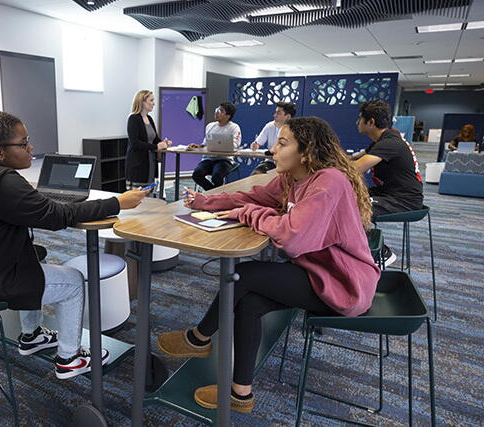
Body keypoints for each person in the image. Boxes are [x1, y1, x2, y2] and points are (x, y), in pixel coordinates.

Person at [158, 117, 380, 413]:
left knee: (244, 275)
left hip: (344, 285)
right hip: (317, 273)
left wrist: (247, 213)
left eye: (282, 143)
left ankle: (198, 338)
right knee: (249, 304)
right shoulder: (292, 178)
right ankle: (240, 394)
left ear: (307, 151)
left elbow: (291, 239)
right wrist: (206, 202)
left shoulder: (329, 181)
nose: (272, 149)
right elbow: (252, 196)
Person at [0, 107, 149, 380]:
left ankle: (33, 335)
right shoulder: (2, 182)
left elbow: (20, 207)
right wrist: (117, 202)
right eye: (23, 143)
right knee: (72, 281)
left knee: (33, 254)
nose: (31, 148)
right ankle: (70, 359)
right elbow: (58, 216)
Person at [352, 100, 423, 267]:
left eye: (360, 118)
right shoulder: (384, 140)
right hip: (391, 193)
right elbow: (353, 159)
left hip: (405, 201)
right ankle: (356, 248)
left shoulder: (390, 143)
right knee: (351, 197)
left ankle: (383, 252)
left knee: (353, 205)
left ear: (371, 122)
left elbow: (355, 168)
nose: (357, 122)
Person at [190, 102, 242, 191]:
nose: (217, 112)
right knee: (196, 174)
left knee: (216, 176)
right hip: (208, 159)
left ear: (228, 116)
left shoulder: (234, 128)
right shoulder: (210, 126)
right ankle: (212, 192)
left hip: (224, 160)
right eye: (217, 110)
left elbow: (235, 145)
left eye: (221, 111)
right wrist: (198, 147)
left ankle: (214, 195)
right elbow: (205, 144)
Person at [126, 90, 171, 190]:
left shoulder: (149, 118)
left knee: (149, 196)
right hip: (138, 165)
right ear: (142, 102)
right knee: (137, 199)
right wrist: (156, 146)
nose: (153, 103)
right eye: (151, 100)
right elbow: (135, 143)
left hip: (150, 163)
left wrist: (164, 143)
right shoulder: (133, 119)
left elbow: (155, 139)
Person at [250, 101, 296, 175]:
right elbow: (258, 143)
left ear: (288, 116)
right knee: (257, 173)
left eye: (278, 113)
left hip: (288, 163)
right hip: (271, 161)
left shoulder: (295, 129)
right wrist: (255, 145)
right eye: (275, 112)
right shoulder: (269, 126)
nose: (274, 115)